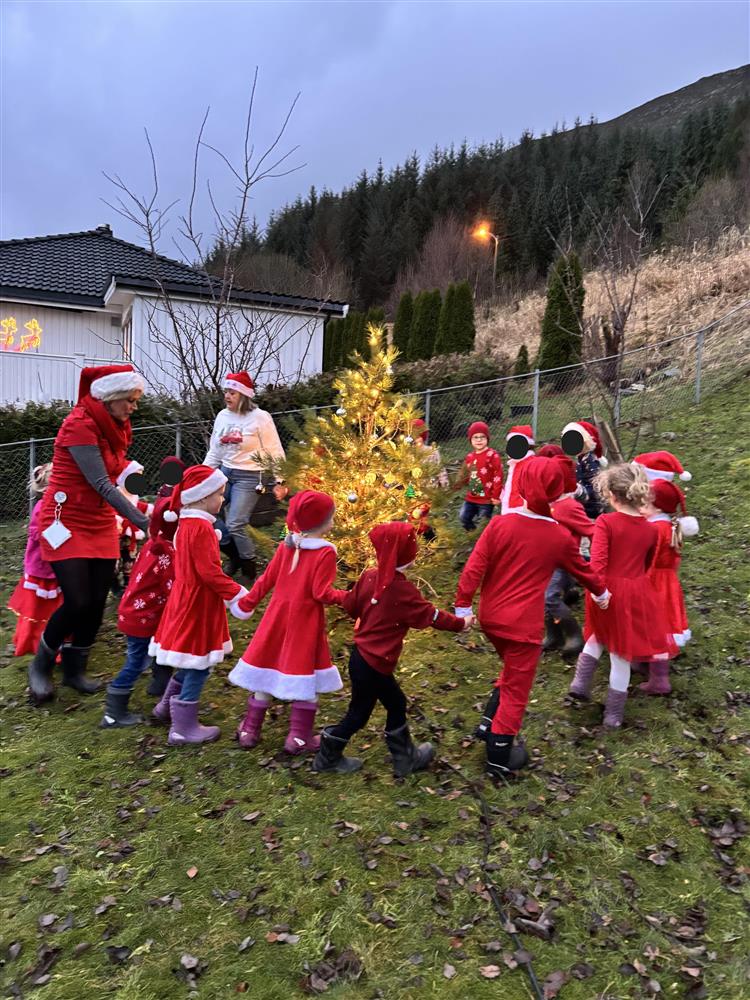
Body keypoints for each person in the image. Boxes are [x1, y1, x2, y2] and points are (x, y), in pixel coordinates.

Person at [454, 457, 609, 777]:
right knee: (518, 688)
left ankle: (487, 722)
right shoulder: (557, 537)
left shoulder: (500, 523)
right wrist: (603, 594)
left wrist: (463, 605)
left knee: (511, 669)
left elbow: (475, 566)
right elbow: (583, 570)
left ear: (521, 487)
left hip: (490, 617)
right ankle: (499, 754)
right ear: (556, 493)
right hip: (521, 626)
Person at [27, 364, 149, 703]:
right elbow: (101, 483)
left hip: (97, 520)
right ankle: (40, 665)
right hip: (66, 521)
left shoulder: (116, 426)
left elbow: (120, 471)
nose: (133, 407)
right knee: (78, 599)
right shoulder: (79, 425)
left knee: (96, 601)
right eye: (130, 400)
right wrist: (145, 523)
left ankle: (74, 670)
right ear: (110, 398)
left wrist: (148, 496)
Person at [313, 522, 472, 777]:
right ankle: (328, 757)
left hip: (364, 659)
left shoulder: (369, 577)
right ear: (408, 555)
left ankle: (404, 757)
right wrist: (460, 624)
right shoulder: (402, 590)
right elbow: (430, 616)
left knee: (396, 702)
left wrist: (343, 598)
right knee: (359, 714)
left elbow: (353, 605)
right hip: (373, 664)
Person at [228, 491, 344, 755]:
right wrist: (351, 598)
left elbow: (265, 579)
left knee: (265, 669)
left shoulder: (286, 545)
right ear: (325, 522)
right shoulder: (325, 552)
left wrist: (247, 604)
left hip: (277, 617)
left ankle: (249, 730)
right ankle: (299, 738)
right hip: (305, 622)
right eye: (332, 516)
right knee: (306, 674)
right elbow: (321, 593)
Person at [567, 464, 677, 727]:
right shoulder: (651, 529)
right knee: (621, 656)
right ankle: (613, 716)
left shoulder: (606, 522)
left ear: (611, 495)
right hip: (637, 592)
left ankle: (580, 684)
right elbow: (647, 563)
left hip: (606, 590)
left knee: (597, 636)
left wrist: (598, 591)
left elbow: (598, 562)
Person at [149, 465, 247, 745]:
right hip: (197, 604)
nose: (223, 500)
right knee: (198, 664)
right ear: (202, 497)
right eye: (219, 494)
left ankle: (165, 708)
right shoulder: (202, 527)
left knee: (187, 658)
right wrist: (237, 593)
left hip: (185, 598)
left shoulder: (187, 523)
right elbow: (209, 572)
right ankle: (183, 728)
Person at [99, 495, 181, 728]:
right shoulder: (166, 552)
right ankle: (113, 713)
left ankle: (159, 686)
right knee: (136, 661)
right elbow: (173, 587)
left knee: (155, 647)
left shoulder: (154, 542)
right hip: (142, 617)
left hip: (137, 612)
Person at [203, 371, 287, 587]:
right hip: (225, 472)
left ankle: (249, 570)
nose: (227, 396)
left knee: (235, 522)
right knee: (206, 514)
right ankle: (235, 556)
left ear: (243, 395)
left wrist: (279, 480)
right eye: (226, 392)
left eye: (232, 392)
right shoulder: (222, 416)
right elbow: (215, 450)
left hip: (249, 476)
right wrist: (202, 476)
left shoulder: (260, 418)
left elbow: (274, 450)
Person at [637, 477, 699, 695]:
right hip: (667, 582)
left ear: (656, 507)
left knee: (655, 628)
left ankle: (659, 679)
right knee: (661, 626)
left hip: (652, 582)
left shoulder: (654, 529)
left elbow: (645, 558)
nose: (640, 508)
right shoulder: (668, 525)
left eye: (644, 504)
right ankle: (647, 663)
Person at [7, 464, 62, 656]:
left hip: (56, 566)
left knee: (54, 607)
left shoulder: (59, 505)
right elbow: (36, 532)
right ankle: (30, 642)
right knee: (36, 608)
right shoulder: (44, 506)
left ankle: (52, 642)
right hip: (41, 567)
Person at [456, 421, 503, 531]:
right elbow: (469, 475)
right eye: (475, 437)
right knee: (463, 517)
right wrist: (459, 483)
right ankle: (473, 535)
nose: (479, 440)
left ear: (487, 439)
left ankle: (484, 540)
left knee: (483, 524)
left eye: (482, 437)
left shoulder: (492, 455)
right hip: (472, 497)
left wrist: (496, 495)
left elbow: (498, 475)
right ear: (470, 440)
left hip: (486, 499)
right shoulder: (470, 457)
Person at [561, 419, 607, 519]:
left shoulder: (589, 460)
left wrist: (579, 491)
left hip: (592, 507)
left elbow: (595, 485)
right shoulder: (581, 458)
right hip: (585, 502)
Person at [500, 424, 536, 514]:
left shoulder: (529, 464)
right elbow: (512, 487)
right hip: (512, 508)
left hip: (520, 510)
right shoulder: (516, 463)